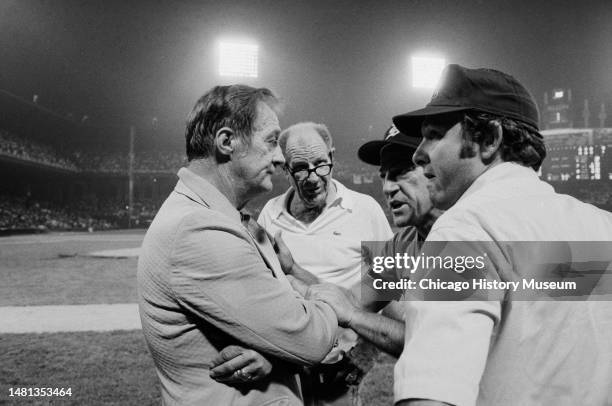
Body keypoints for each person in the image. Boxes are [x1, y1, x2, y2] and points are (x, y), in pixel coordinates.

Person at [390, 64, 612, 406]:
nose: (419, 153)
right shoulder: (600, 227)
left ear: (489, 139)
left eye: (434, 134)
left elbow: (432, 394)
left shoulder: (466, 229)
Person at [137, 85, 339, 406]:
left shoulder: (228, 216)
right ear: (227, 141)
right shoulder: (199, 228)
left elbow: (280, 318)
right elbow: (307, 337)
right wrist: (333, 299)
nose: (279, 158)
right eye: (272, 141)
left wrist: (277, 349)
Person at [257, 121, 393, 405]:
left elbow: (391, 286)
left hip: (339, 371)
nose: (312, 177)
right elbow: (260, 294)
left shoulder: (364, 209)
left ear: (332, 156)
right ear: (285, 168)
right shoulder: (270, 215)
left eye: (321, 164)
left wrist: (362, 357)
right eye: (301, 167)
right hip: (284, 371)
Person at [308, 124, 443, 356]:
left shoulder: (471, 238)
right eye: (384, 176)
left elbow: (434, 342)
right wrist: (290, 272)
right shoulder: (403, 244)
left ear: (439, 170)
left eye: (401, 172)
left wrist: (353, 317)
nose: (388, 188)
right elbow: (352, 300)